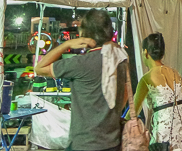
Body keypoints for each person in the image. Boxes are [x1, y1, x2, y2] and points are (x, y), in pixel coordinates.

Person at [36, 10, 127, 151]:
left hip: (85, 143)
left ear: (84, 34)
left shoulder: (80, 63)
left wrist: (67, 45)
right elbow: (125, 94)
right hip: (113, 142)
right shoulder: (121, 60)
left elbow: (40, 68)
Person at [133, 33, 182, 151]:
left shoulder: (147, 79)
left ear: (145, 52)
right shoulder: (175, 73)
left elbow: (134, 109)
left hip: (164, 127)